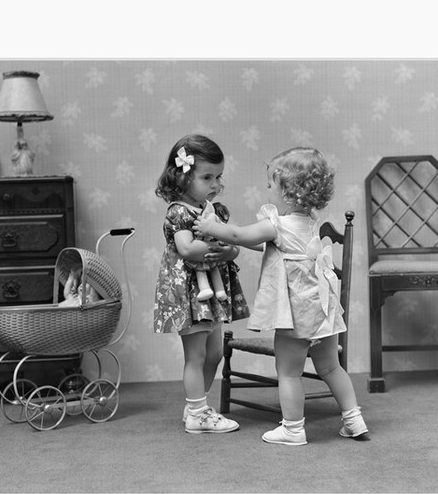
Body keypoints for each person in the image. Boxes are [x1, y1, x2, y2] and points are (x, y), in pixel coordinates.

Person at [194, 146, 369, 446]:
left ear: (288, 191)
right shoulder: (311, 223)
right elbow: (272, 248)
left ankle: (293, 428)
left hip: (296, 313)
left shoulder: (275, 224)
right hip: (324, 309)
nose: (267, 190)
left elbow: (239, 235)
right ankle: (354, 419)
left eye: (271, 185)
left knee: (288, 372)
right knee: (330, 366)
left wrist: (212, 227)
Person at [153, 134, 250, 434]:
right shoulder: (178, 212)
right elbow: (186, 248)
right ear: (182, 178)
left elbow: (233, 245)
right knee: (195, 354)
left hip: (212, 292)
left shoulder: (215, 211)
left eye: (218, 176)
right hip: (190, 290)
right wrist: (213, 244)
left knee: (214, 353)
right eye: (207, 177)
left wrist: (228, 248)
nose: (215, 184)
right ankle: (198, 412)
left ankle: (198, 405)